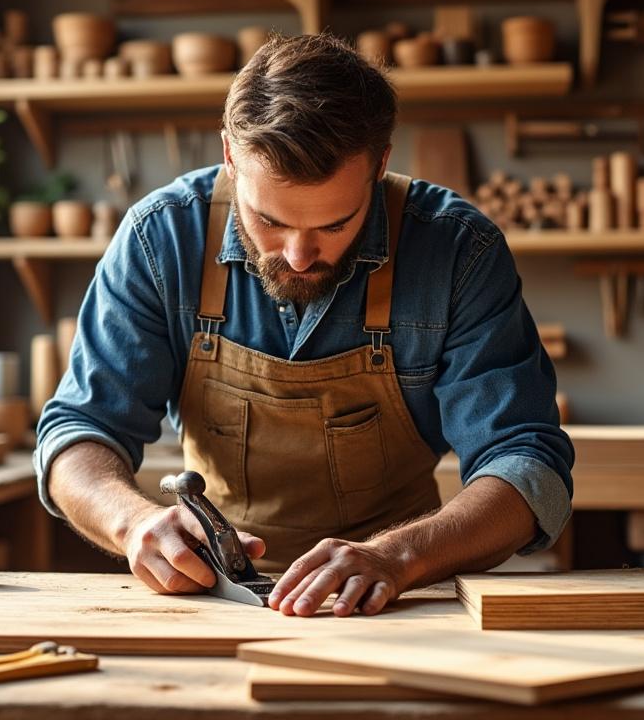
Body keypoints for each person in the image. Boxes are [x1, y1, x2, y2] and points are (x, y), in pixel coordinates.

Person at [35, 33, 573, 618]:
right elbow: (78, 433)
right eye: (268, 221)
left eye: (336, 226)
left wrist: (399, 556)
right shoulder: (160, 239)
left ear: (380, 164)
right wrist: (131, 522)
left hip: (399, 596)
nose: (297, 256)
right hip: (218, 602)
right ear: (231, 158)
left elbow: (526, 462)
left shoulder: (457, 251)